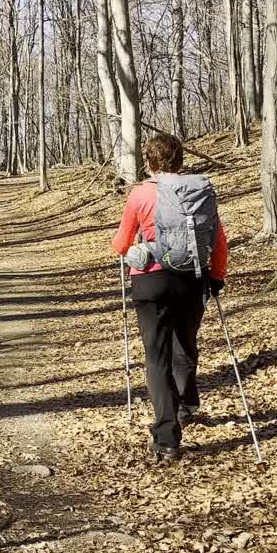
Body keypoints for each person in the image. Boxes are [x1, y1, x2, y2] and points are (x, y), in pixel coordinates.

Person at [111, 133, 228, 463]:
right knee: (185, 343)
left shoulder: (141, 194)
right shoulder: (200, 191)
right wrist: (217, 276)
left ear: (149, 163)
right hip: (192, 278)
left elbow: (121, 244)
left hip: (151, 282)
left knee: (157, 356)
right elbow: (218, 241)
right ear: (180, 161)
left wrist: (132, 246)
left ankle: (166, 438)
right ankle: (186, 405)